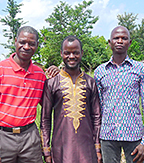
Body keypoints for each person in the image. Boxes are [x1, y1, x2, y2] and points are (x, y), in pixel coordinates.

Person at [0, 26, 46, 163]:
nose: (26, 47)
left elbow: (48, 104)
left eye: (32, 44)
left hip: (30, 137)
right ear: (15, 41)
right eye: (22, 42)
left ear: (37, 46)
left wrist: (57, 76)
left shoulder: (40, 75)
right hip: (3, 137)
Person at [94, 26, 144, 163]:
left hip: (133, 136)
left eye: (124, 38)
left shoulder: (141, 69)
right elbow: (99, 108)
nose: (120, 41)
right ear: (110, 43)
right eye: (116, 38)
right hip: (108, 136)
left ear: (129, 42)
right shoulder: (100, 71)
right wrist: (97, 140)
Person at [40, 35, 102, 163]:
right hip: (61, 148)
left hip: (87, 148)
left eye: (76, 53)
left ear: (82, 53)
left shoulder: (90, 82)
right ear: (62, 54)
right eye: (67, 53)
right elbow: (45, 119)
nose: (72, 56)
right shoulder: (52, 83)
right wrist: (46, 150)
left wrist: (97, 147)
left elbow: (96, 117)